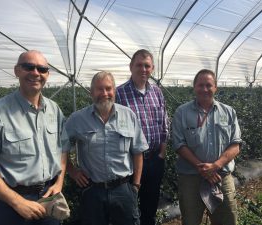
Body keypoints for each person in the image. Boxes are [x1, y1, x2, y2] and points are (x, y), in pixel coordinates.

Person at [0, 50, 70, 225]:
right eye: (28, 67)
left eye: (42, 69)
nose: (35, 73)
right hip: (9, 205)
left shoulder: (54, 110)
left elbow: (62, 149)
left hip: (48, 199)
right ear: (17, 71)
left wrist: (59, 182)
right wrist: (18, 202)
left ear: (48, 74)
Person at [65, 71, 149, 225]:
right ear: (91, 92)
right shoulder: (77, 119)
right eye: (99, 89)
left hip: (123, 188)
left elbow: (138, 151)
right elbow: (61, 149)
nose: (105, 93)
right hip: (92, 191)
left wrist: (135, 186)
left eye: (108, 88)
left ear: (114, 91)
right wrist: (73, 172)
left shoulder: (128, 115)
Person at [172, 69, 242, 225]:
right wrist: (203, 168)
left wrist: (216, 166)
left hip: (221, 177)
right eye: (200, 85)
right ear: (194, 87)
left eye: (209, 85)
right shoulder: (182, 113)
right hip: (191, 179)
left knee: (227, 220)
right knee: (190, 220)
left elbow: (236, 145)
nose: (204, 89)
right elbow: (179, 144)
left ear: (216, 87)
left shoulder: (229, 112)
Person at [116, 49, 169, 225]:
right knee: (129, 207)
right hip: (130, 162)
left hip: (155, 159)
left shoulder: (157, 92)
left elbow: (164, 122)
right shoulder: (119, 93)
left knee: (150, 205)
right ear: (131, 67)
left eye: (147, 65)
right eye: (139, 65)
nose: (143, 69)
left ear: (152, 68)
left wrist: (162, 152)